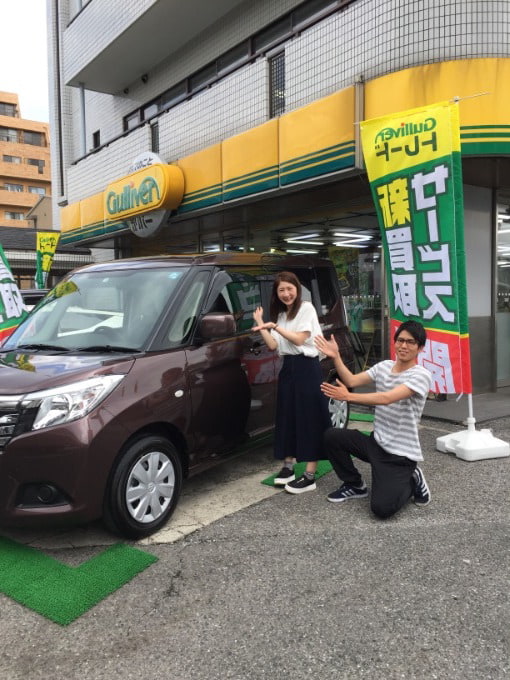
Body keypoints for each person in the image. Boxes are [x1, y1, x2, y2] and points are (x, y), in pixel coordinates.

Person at [316, 320, 432, 518]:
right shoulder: (384, 366)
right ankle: (355, 485)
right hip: (376, 444)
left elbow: (386, 398)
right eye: (400, 340)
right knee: (332, 436)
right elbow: (352, 380)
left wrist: (349, 396)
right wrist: (335, 356)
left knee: (382, 509)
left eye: (411, 342)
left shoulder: (421, 375)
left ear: (420, 348)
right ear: (394, 342)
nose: (404, 346)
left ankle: (413, 479)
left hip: (400, 456)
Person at [252, 271, 331, 494]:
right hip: (289, 368)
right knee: (287, 415)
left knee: (310, 417)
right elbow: (273, 346)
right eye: (281, 290)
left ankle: (309, 475)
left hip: (307, 367)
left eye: (289, 289)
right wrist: (261, 324)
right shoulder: (282, 316)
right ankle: (288, 466)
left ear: (297, 289)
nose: (286, 294)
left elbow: (299, 339)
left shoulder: (306, 308)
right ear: (276, 294)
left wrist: (274, 327)